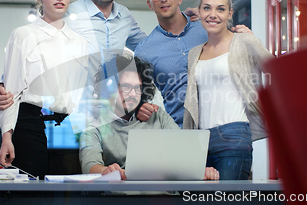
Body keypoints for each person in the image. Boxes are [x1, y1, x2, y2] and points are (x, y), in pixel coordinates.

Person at [0, 0, 158, 122]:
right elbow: (31, 51)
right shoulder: (68, 14)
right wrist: (3, 85)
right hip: (77, 115)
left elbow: (149, 49)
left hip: (113, 113)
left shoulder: (125, 16)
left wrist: (184, 24)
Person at [0, 0, 89, 179]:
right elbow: (11, 93)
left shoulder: (80, 42)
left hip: (68, 129)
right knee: (30, 194)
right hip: (30, 125)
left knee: (67, 194)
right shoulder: (22, 36)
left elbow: (83, 93)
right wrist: (6, 137)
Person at [134, 0, 251, 127]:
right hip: (181, 132)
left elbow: (243, 59)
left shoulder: (208, 27)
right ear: (149, 3)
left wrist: (248, 40)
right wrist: (139, 108)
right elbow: (137, 96)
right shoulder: (144, 50)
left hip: (226, 126)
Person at [79, 54, 219, 182]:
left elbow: (184, 154)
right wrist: (105, 170)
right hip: (123, 196)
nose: (132, 94)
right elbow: (89, 165)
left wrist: (201, 172)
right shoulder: (95, 125)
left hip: (164, 196)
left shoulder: (157, 116)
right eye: (126, 87)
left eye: (137, 88)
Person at [183, 0, 273, 180]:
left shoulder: (244, 42)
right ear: (199, 12)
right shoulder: (194, 53)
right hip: (200, 141)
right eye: (207, 8)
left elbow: (278, 71)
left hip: (234, 136)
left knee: (226, 201)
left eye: (220, 9)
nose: (213, 14)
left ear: (230, 13)